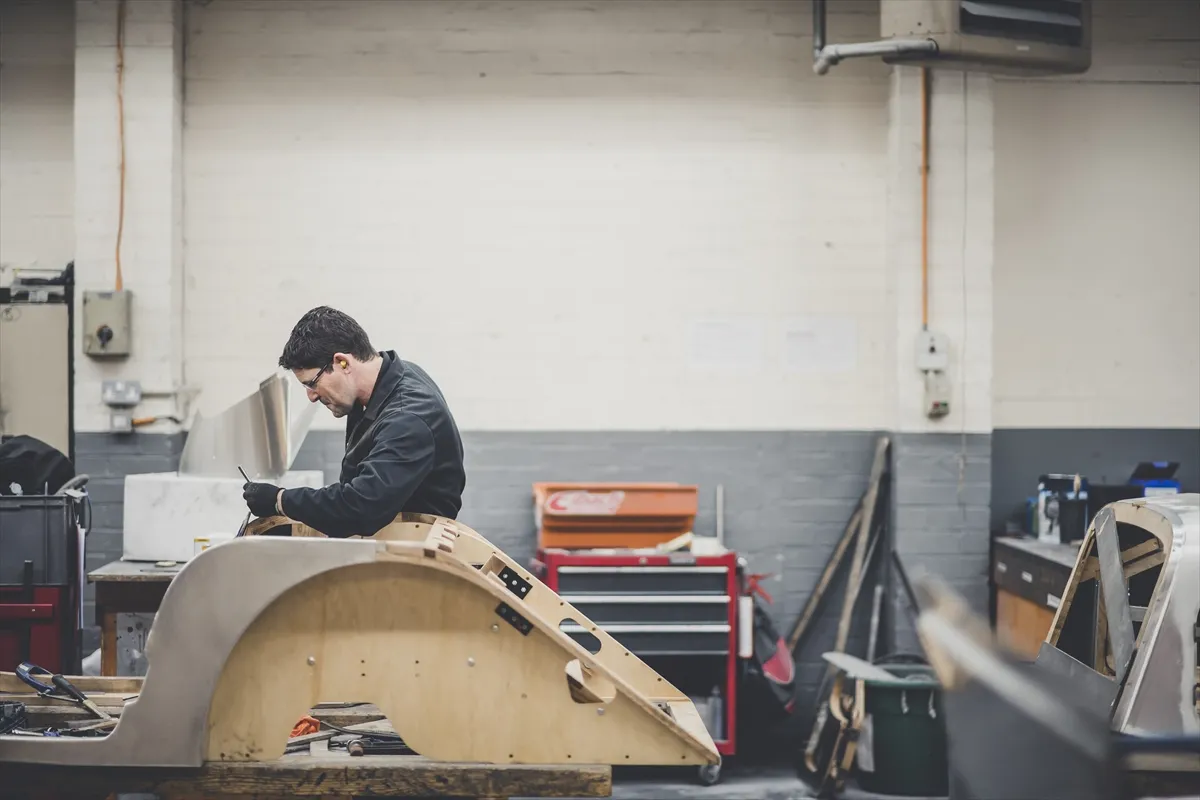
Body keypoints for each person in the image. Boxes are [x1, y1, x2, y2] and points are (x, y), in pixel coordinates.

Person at [241, 306, 466, 537]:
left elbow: (361, 507)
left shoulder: (407, 418)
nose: (312, 396)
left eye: (312, 383)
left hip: (412, 549)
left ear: (343, 363)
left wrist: (280, 500)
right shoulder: (388, 382)